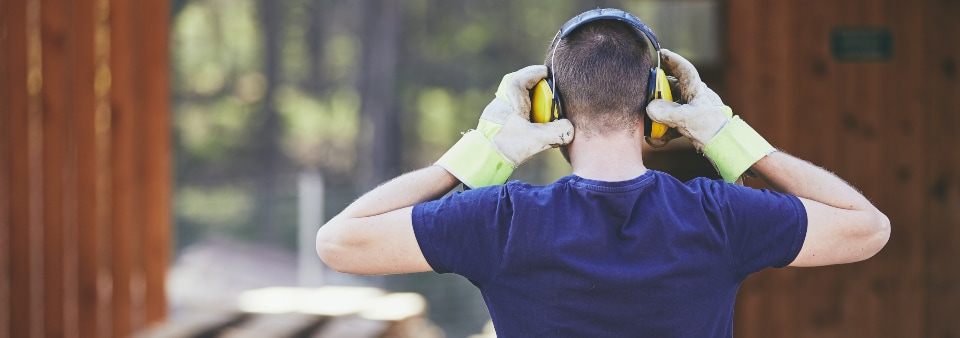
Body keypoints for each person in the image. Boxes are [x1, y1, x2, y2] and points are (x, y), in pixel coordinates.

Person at [316, 8, 889, 337]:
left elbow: (340, 243)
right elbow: (867, 227)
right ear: (658, 106)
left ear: (550, 109)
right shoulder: (720, 216)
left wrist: (485, 150)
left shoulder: (501, 220)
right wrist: (725, 132)